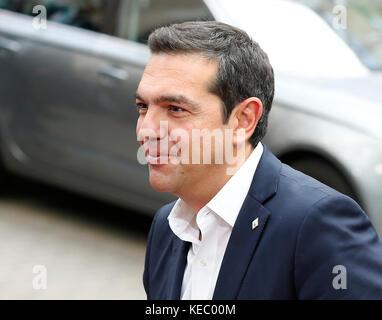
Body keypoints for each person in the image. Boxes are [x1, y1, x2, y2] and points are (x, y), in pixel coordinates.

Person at [136, 21, 382, 299]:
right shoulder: (166, 226)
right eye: (143, 107)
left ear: (244, 120)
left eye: (175, 109)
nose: (147, 130)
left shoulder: (317, 225)